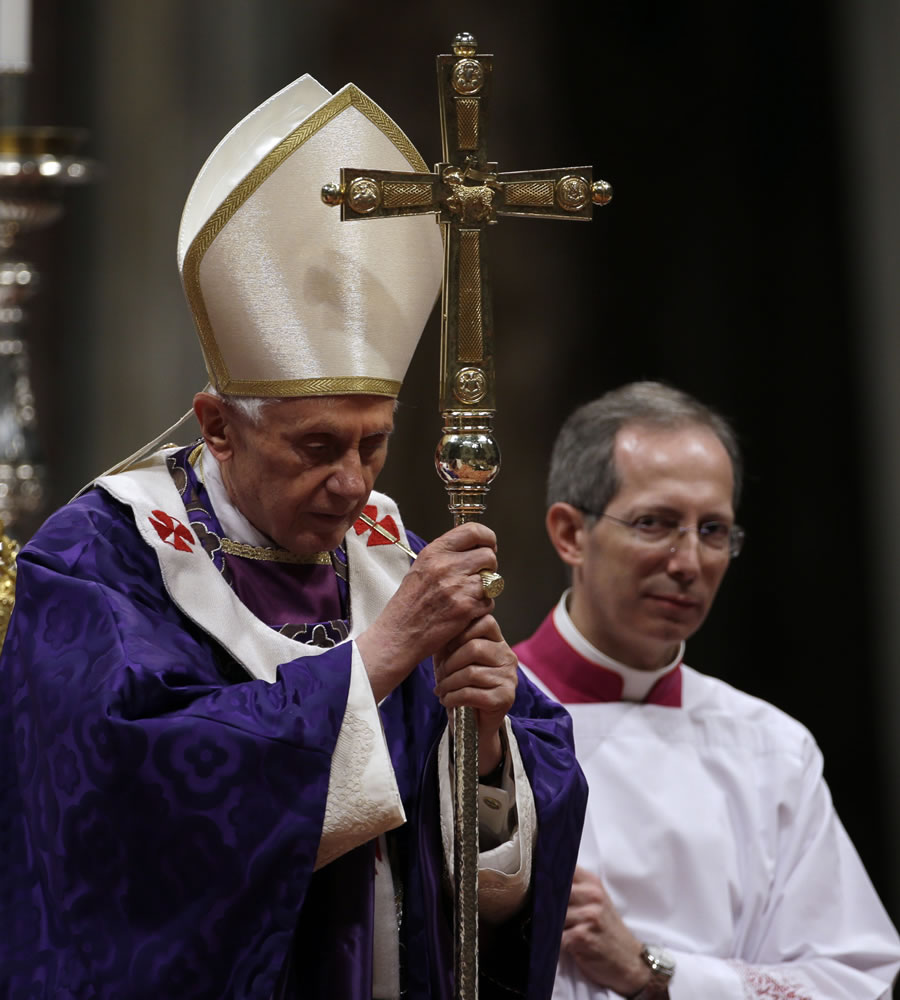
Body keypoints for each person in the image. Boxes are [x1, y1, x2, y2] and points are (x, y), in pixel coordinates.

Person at [0, 74, 587, 999]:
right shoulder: (95, 562)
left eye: (373, 443)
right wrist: (383, 656)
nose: (352, 482)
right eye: (316, 447)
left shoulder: (388, 547)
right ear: (218, 425)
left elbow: (506, 839)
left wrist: (481, 752)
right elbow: (121, 817)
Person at [514, 381, 900, 999]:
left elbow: (855, 980)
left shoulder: (771, 747)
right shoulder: (475, 717)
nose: (689, 562)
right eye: (655, 523)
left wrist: (653, 970)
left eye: (714, 530)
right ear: (570, 534)